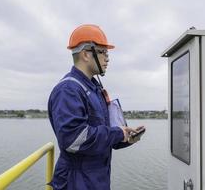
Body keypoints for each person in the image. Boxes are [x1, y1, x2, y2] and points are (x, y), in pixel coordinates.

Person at [48, 24, 144, 190]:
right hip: (76, 182)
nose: (107, 58)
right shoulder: (68, 90)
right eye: (103, 52)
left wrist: (125, 138)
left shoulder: (94, 89)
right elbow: (73, 139)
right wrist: (117, 133)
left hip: (95, 180)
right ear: (86, 54)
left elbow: (103, 134)